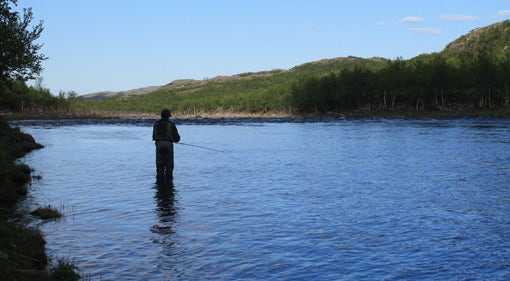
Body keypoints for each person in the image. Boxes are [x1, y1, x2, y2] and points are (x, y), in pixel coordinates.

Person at [152, 109, 180, 185]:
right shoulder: (171, 124)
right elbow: (177, 138)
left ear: (161, 115)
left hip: (159, 145)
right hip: (168, 145)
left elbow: (154, 137)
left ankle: (160, 186)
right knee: (169, 168)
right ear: (168, 116)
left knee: (159, 168)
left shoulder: (156, 124)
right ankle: (169, 186)